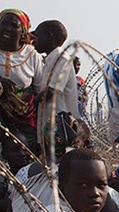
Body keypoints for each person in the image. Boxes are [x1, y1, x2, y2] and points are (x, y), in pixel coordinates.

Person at [32, 20, 79, 153]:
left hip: (63, 129)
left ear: (49, 36)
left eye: (37, 36)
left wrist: (29, 103)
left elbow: (51, 91)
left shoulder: (62, 59)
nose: (34, 40)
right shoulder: (46, 62)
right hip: (49, 129)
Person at [0, 9, 43, 150]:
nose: (7, 28)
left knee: (24, 152)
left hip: (24, 117)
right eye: (4, 24)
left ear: (23, 31)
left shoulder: (32, 55)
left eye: (14, 26)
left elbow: (39, 89)